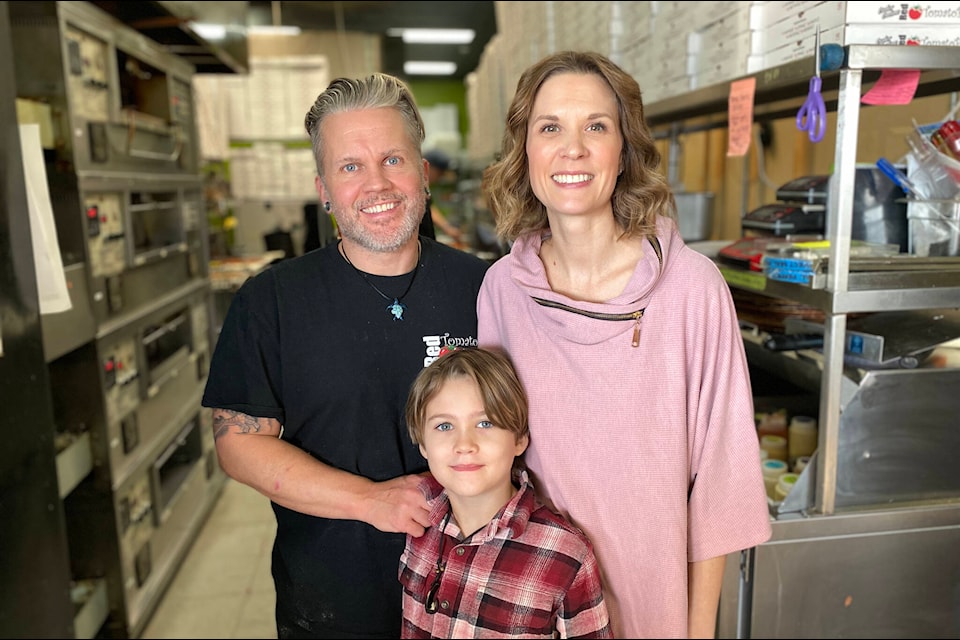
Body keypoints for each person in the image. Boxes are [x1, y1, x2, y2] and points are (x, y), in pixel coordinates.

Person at [476, 50, 772, 639]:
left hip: (653, 605)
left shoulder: (691, 288)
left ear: (624, 149)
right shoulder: (503, 290)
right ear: (526, 150)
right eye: (550, 127)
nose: (574, 148)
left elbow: (720, 479)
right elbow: (494, 463)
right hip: (535, 607)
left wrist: (697, 630)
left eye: (596, 126)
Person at [201, 72, 490, 639]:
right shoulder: (273, 302)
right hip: (334, 604)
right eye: (350, 167)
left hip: (477, 598)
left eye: (394, 160)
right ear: (324, 189)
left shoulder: (484, 287)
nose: (377, 184)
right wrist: (369, 501)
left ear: (423, 173)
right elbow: (239, 446)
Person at [400, 347, 613, 639]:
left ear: (519, 439)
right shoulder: (418, 523)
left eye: (485, 423)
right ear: (423, 444)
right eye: (444, 425)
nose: (465, 444)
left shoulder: (566, 553)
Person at [418, 148, 464, 245]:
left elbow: (430, 208)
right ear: (428, 167)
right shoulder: (416, 186)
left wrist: (448, 229)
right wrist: (448, 229)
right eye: (440, 173)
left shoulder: (425, 188)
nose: (440, 177)